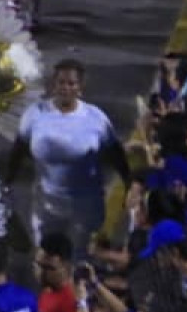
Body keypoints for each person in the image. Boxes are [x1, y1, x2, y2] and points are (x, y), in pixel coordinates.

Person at [8, 59, 128, 252]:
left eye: (71, 83)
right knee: (46, 258)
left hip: (85, 206)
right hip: (45, 204)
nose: (65, 88)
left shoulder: (95, 118)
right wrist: (7, 182)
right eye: (61, 82)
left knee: (78, 257)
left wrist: (129, 181)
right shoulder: (35, 114)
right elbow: (19, 149)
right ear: (53, 85)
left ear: (80, 87)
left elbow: (115, 153)